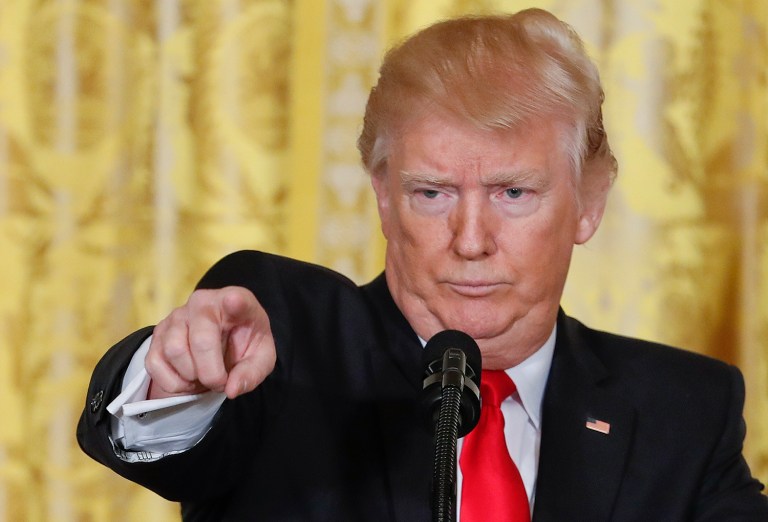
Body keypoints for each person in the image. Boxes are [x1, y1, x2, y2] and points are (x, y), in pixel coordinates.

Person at [77, 8, 768, 521]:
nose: (470, 239)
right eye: (432, 193)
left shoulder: (684, 412)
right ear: (383, 197)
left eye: (513, 193)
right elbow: (174, 443)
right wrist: (176, 378)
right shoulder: (287, 342)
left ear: (589, 203)